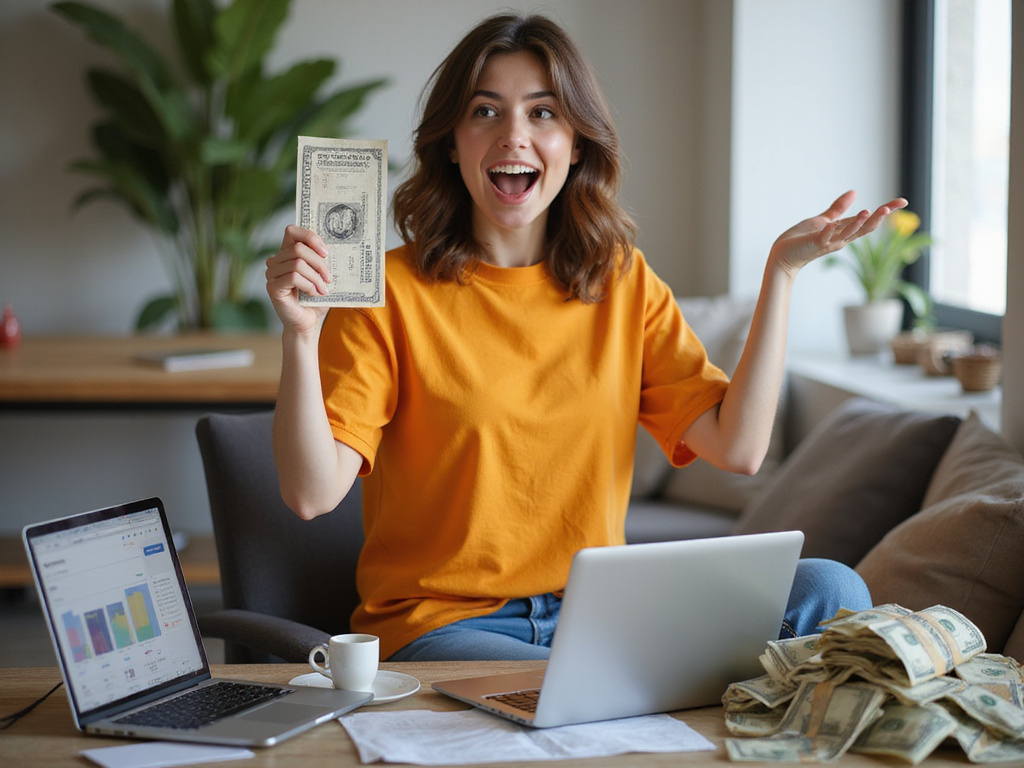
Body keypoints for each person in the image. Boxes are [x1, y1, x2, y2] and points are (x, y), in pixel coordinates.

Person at [266, 13, 892, 662]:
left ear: (577, 142)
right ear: (452, 142)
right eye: (486, 111)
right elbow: (310, 495)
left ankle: (658, 700)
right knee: (577, 695)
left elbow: (739, 448)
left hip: (598, 616)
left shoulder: (622, 281)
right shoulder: (390, 290)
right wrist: (300, 336)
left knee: (831, 589)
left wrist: (781, 274)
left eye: (543, 114)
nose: (514, 135)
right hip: (444, 630)